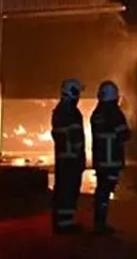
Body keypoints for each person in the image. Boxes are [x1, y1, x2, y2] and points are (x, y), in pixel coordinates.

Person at [90, 80, 131, 234]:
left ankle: (99, 222)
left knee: (101, 190)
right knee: (105, 191)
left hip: (100, 159)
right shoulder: (115, 114)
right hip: (111, 159)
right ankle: (100, 225)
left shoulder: (96, 113)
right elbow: (124, 134)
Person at [50, 78, 86, 234]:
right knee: (69, 190)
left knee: (62, 189)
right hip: (71, 159)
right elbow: (76, 138)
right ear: (73, 92)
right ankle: (65, 224)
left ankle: (61, 222)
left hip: (62, 157)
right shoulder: (71, 112)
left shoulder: (59, 110)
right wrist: (80, 157)